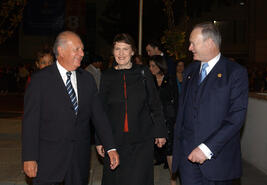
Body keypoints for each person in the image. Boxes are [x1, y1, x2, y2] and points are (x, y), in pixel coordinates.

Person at [22, 31, 119, 185]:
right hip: (48, 158)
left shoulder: (87, 80)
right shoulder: (40, 81)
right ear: (60, 51)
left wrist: (110, 147)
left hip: (78, 159)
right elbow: (30, 122)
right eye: (76, 49)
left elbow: (99, 116)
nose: (81, 53)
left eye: (82, 50)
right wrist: (29, 157)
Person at [172, 22, 249, 185]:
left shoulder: (235, 73)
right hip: (187, 160)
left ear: (209, 43)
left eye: (193, 43)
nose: (190, 48)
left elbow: (236, 118)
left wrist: (206, 149)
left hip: (218, 161)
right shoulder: (189, 71)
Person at [97, 33, 167, 185]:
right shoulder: (107, 76)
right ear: (113, 51)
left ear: (132, 51)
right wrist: (99, 140)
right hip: (115, 141)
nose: (121, 53)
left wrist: (160, 131)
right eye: (117, 49)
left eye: (125, 49)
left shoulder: (144, 73)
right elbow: (100, 111)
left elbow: (155, 104)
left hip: (142, 141)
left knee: (138, 180)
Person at [149, 55, 178, 185]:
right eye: (150, 66)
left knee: (170, 149)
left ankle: (173, 179)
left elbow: (177, 100)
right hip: (152, 119)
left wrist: (176, 118)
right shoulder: (148, 80)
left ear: (160, 66)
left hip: (169, 118)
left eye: (153, 66)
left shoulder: (170, 79)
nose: (151, 68)